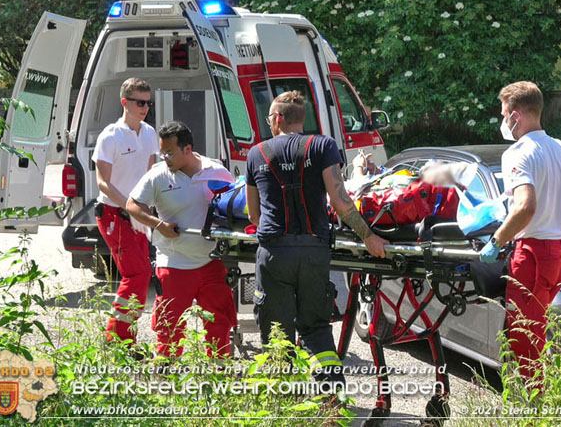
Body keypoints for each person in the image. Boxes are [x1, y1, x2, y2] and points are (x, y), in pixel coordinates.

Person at [245, 90, 388, 384]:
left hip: (274, 253)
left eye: (269, 117)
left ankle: (282, 406)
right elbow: (340, 201)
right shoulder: (323, 146)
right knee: (317, 329)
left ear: (278, 118)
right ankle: (331, 402)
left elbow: (253, 215)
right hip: (314, 251)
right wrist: (369, 237)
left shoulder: (256, 153)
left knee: (276, 333)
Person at [480, 81, 561, 381]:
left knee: (525, 340)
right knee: (538, 332)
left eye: (503, 112)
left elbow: (525, 207)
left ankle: (535, 411)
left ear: (515, 115)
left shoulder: (518, 154)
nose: (503, 120)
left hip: (533, 254)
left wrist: (496, 241)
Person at [126, 121, 237, 357]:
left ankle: (220, 373)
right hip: (174, 262)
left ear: (187, 149)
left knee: (220, 321)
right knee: (169, 325)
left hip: (212, 261)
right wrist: (159, 225)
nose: (165, 157)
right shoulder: (158, 175)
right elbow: (132, 205)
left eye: (170, 152)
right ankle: (168, 372)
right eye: (162, 152)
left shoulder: (215, 170)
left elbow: (234, 205)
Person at [93, 77, 159, 345]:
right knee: (138, 274)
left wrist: (147, 209)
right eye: (139, 102)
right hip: (113, 214)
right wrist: (129, 207)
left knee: (142, 273)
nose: (145, 107)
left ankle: (122, 339)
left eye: (148, 103)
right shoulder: (111, 135)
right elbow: (103, 183)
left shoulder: (150, 132)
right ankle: (118, 340)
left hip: (137, 214)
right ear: (125, 103)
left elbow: (150, 174)